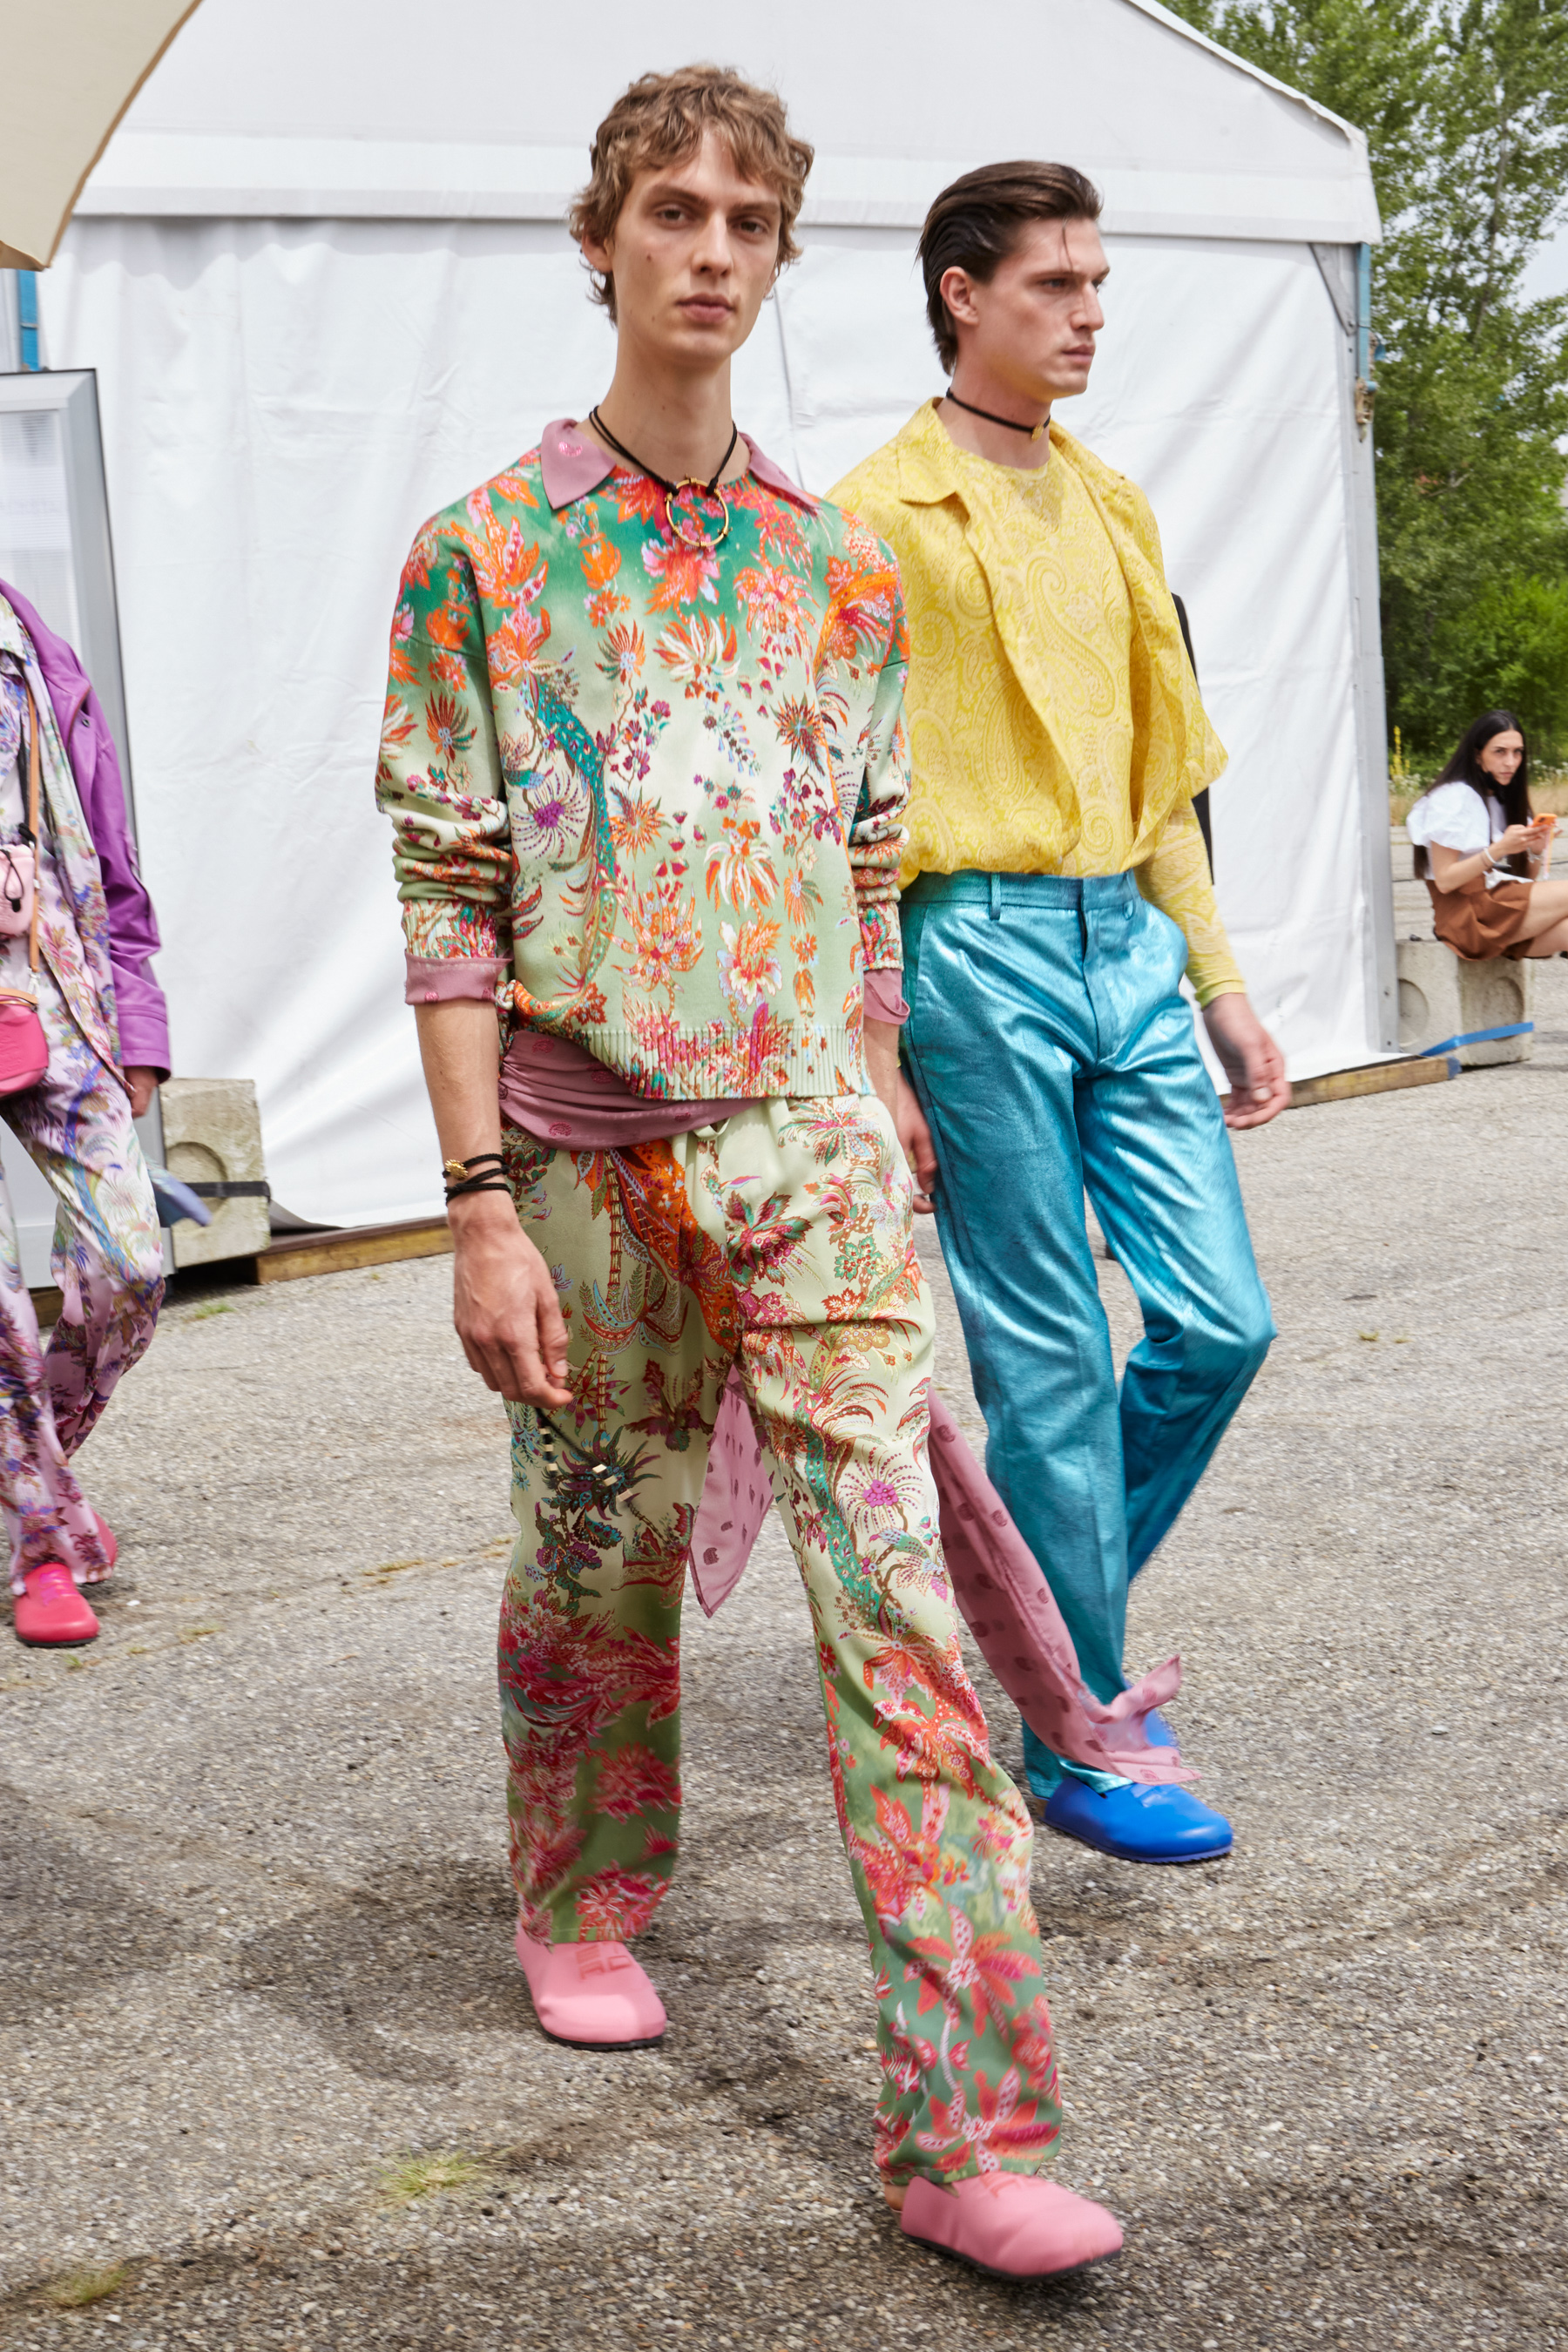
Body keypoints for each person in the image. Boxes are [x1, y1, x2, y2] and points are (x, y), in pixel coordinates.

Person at [375, 69, 1122, 2281]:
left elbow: (868, 851)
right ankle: (586, 1884)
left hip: (813, 1153)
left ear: (789, 258)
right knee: (590, 1573)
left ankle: (963, 2121)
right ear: (598, 239)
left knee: (900, 1612)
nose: (710, 248)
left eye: (751, 219)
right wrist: (475, 1196)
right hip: (586, 1160)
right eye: (671, 210)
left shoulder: (845, 568)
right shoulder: (482, 557)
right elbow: (446, 890)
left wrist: (879, 1077)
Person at [832, 162, 1287, 1867]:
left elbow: (1155, 778)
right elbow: (853, 808)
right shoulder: (876, 515)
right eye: (1055, 285)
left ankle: (1031, 1621)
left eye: (1099, 283)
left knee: (1221, 1321)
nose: (1091, 311)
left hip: (1129, 949)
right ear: (963, 292)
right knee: (1046, 1367)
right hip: (975, 949)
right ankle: (1080, 1723)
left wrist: (1222, 983)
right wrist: (872, 1050)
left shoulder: (1114, 505)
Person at [0, 582, 167, 1647]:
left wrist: (140, 1023)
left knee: (132, 1264)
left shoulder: (29, 640)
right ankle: (43, 1545)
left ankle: (28, 1468)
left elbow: (110, 855)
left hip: (56, 986)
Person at [1405, 709, 1568, 958]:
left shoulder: (1503, 797)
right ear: (1477, 755)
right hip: (1468, 918)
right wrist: (1499, 849)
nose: (1511, 762)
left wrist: (1536, 850)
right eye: (1500, 752)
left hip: (1499, 908)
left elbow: (1526, 881)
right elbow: (1445, 881)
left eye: (1518, 752)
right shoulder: (1454, 797)